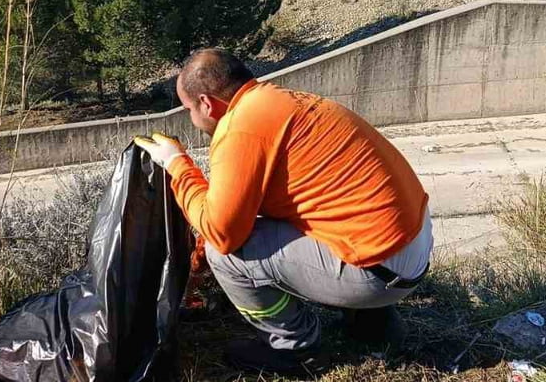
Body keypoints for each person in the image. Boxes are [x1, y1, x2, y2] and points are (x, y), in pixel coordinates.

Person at [136, 48, 432, 375]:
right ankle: (373, 322)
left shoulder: (240, 128)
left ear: (206, 103)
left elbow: (221, 234)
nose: (192, 120)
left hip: (378, 271)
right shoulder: (281, 102)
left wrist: (177, 164)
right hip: (410, 248)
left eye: (189, 110)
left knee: (227, 255)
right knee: (279, 218)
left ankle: (297, 349)